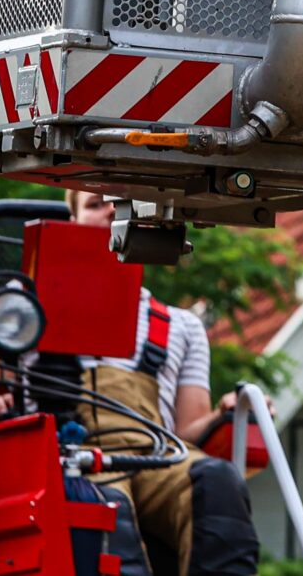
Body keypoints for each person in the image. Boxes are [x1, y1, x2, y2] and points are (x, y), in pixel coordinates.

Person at [46, 191, 257, 576]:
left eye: (123, 202)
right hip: (75, 460)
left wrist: (229, 412)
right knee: (106, 504)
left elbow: (187, 431)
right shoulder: (29, 309)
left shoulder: (181, 326)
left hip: (156, 458)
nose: (111, 210)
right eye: (95, 203)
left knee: (217, 481)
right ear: (71, 221)